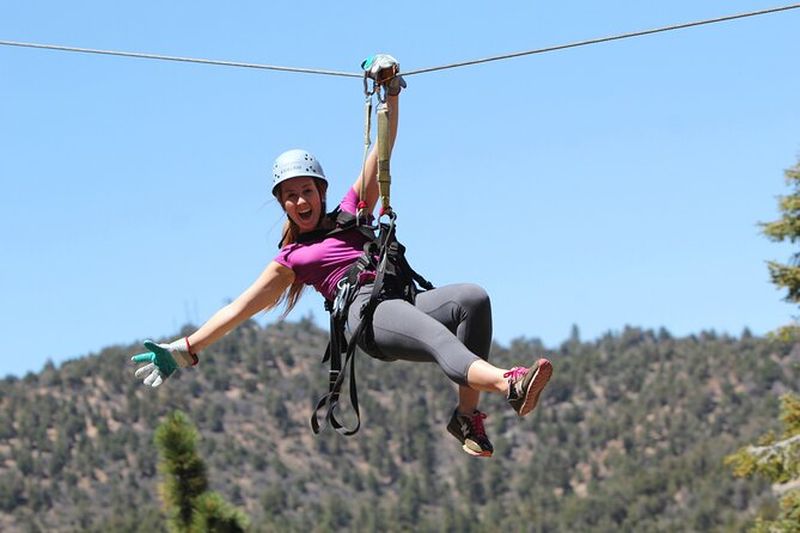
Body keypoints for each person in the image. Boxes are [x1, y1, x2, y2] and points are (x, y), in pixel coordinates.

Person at [132, 54, 553, 458]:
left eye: (307, 191)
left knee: (472, 299)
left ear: (322, 192)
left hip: (398, 297)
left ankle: (466, 417)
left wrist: (390, 93)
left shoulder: (351, 213)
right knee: (436, 338)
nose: (300, 200)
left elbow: (381, 153)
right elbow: (239, 309)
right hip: (367, 314)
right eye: (291, 195)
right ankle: (508, 382)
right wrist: (185, 348)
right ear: (282, 204)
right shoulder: (292, 259)